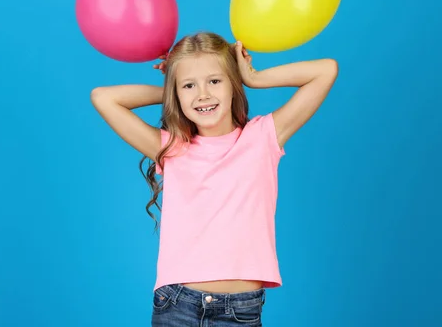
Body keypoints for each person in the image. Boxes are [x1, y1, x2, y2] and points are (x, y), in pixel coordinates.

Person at [90, 32, 338, 326]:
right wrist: (173, 89)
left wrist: (253, 78)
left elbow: (326, 71)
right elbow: (103, 97)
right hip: (177, 306)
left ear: (233, 83)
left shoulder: (263, 138)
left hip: (240, 311)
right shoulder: (171, 147)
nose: (203, 94)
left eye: (215, 81)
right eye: (190, 85)